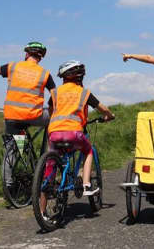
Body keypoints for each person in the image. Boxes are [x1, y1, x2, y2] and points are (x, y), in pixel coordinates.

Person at [0, 42, 56, 189]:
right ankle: (48, 157)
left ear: (26, 54)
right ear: (40, 58)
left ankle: (8, 185)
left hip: (12, 117)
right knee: (53, 119)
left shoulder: (14, 67)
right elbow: (55, 95)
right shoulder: (44, 74)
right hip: (34, 117)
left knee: (12, 147)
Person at [40, 60, 114, 221]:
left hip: (54, 133)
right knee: (88, 151)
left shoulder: (55, 93)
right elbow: (103, 108)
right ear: (80, 76)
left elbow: (52, 111)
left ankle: (42, 212)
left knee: (50, 166)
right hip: (74, 133)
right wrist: (109, 116)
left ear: (63, 78)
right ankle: (87, 184)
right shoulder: (84, 93)